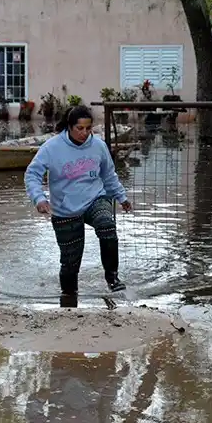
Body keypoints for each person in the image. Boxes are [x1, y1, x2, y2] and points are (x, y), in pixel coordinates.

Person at [24, 105, 132, 300]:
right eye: (79, 129)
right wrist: (39, 199)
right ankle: (68, 296)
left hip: (96, 198)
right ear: (69, 127)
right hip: (65, 208)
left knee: (107, 225)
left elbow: (109, 175)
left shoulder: (98, 145)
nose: (85, 133)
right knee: (70, 264)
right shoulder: (52, 147)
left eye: (88, 128)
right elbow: (32, 174)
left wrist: (121, 197)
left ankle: (113, 278)